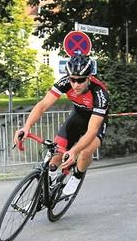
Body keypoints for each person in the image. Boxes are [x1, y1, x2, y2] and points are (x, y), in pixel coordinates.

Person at [14, 52, 109, 197]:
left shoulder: (100, 94)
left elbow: (91, 131)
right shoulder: (65, 83)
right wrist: (26, 127)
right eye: (72, 79)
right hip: (77, 116)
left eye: (81, 80)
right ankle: (50, 183)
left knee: (84, 152)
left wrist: (74, 151)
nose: (76, 84)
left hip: (96, 121)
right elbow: (42, 105)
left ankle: (77, 176)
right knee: (56, 153)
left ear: (89, 78)